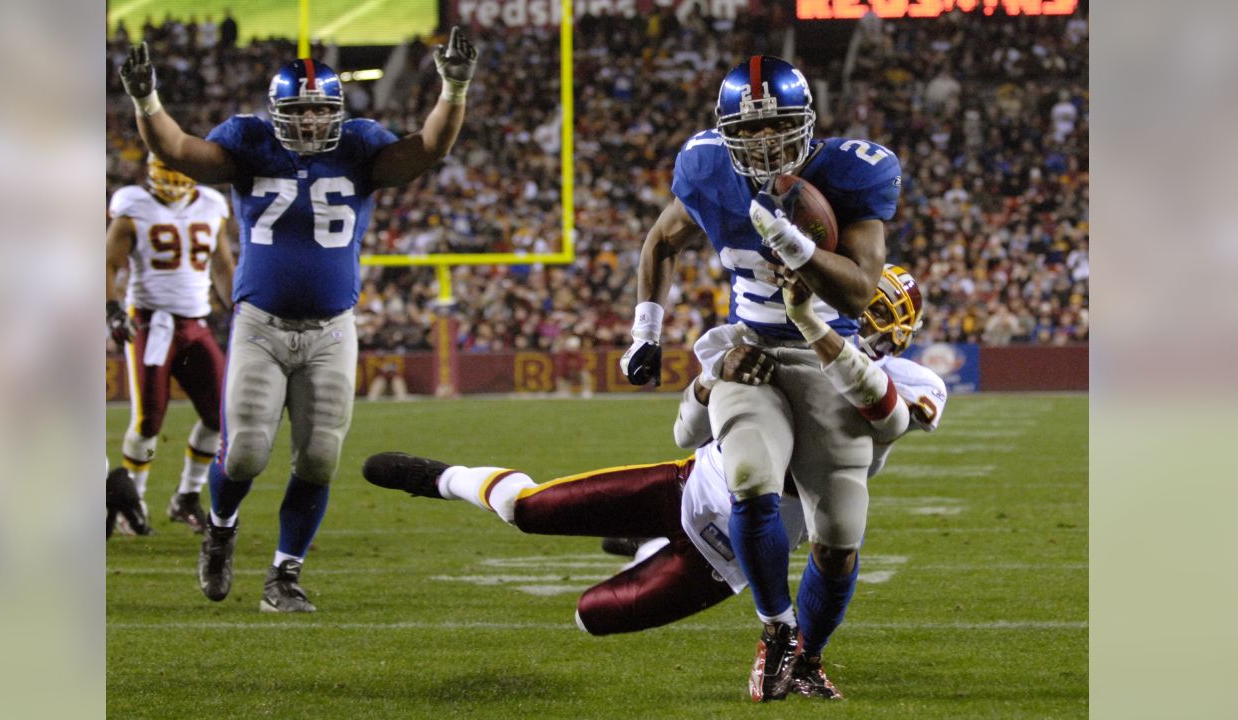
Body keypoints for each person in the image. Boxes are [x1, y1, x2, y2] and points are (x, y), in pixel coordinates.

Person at [363, 267, 944, 702]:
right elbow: (683, 430)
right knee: (524, 507)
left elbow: (892, 411)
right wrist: (713, 377)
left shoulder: (906, 380)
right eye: (856, 311)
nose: (866, 330)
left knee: (591, 615)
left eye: (874, 320)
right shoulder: (758, 340)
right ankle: (440, 478)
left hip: (723, 562)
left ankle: (643, 547)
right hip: (687, 485)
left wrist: (822, 342)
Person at [118, 27, 479, 612]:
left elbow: (428, 148)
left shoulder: (360, 146)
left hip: (332, 328)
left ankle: (284, 575)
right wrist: (147, 102)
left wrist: (454, 88)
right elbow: (178, 151)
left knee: (318, 458)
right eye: (299, 109)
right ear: (276, 111)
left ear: (336, 111)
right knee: (245, 454)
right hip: (261, 324)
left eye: (319, 109)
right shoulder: (249, 143)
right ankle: (220, 527)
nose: (310, 121)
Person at [619, 55, 903, 700]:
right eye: (748, 131)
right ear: (724, 133)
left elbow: (860, 293)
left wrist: (799, 246)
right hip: (748, 351)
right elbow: (662, 240)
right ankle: (776, 629)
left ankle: (806, 658)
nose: (765, 142)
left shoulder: (853, 171)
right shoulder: (705, 166)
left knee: (838, 536)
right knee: (750, 478)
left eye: (778, 126)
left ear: (808, 123)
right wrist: (646, 331)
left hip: (829, 357)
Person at [106, 154, 234, 535]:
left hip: (196, 323)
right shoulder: (133, 207)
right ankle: (134, 500)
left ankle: (187, 496)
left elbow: (223, 266)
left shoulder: (212, 205)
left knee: (221, 417)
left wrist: (240, 310)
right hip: (151, 322)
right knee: (148, 421)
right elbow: (108, 263)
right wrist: (113, 309)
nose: (177, 181)